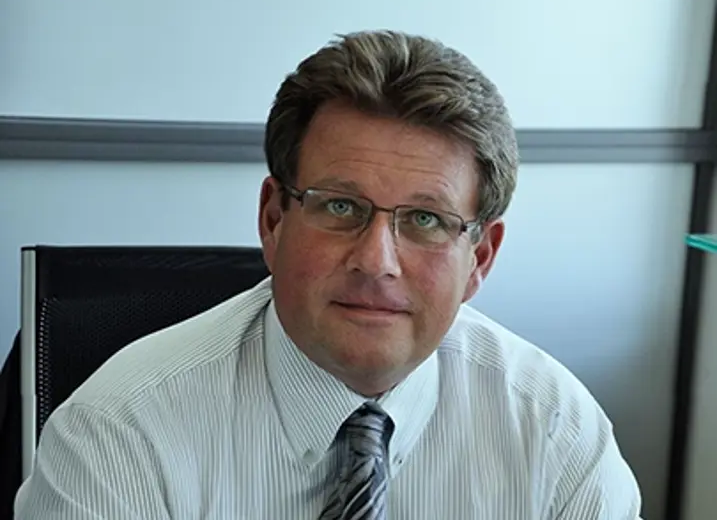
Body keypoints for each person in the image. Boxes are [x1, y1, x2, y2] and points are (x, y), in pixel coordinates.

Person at [15, 30, 642, 519]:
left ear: (479, 257)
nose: (376, 260)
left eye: (425, 219)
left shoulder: (555, 431)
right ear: (272, 219)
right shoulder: (121, 433)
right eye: (340, 207)